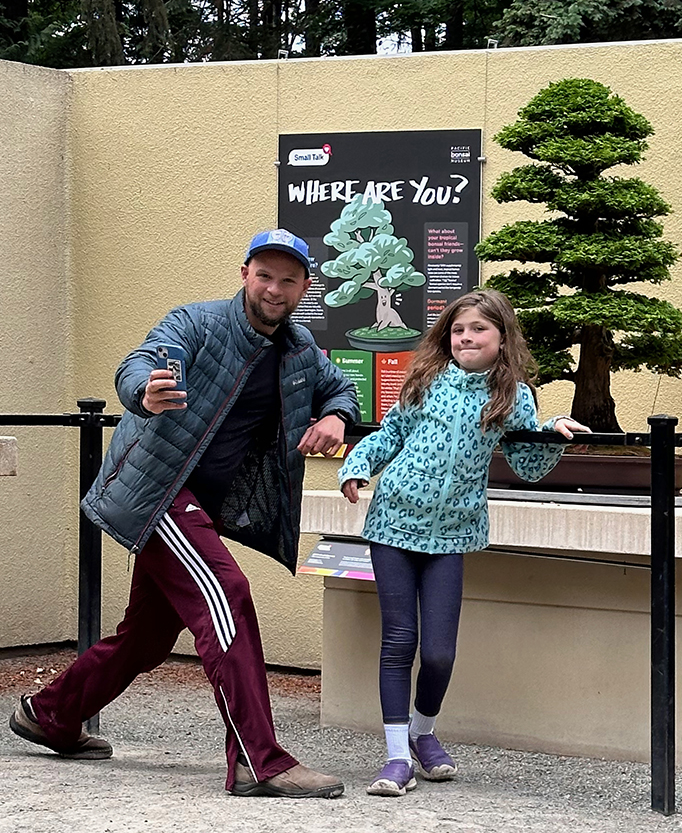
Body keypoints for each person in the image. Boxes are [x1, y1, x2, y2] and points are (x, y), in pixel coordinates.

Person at [8, 229, 361, 799]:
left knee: (147, 637)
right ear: (244, 274)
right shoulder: (196, 323)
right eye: (264, 275)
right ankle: (258, 761)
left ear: (304, 287)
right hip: (157, 491)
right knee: (228, 595)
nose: (274, 288)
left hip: (202, 507)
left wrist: (336, 417)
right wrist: (144, 392)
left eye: (288, 279)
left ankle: (50, 714)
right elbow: (140, 363)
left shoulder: (299, 351)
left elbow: (341, 389)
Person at [337, 289, 589, 796]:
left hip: (452, 532)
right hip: (393, 522)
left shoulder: (513, 396)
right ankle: (396, 758)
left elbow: (526, 465)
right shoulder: (425, 380)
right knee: (399, 641)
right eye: (458, 330)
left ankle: (422, 733)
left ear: (502, 338)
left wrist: (551, 432)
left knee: (439, 654)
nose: (466, 338)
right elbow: (390, 435)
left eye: (478, 329)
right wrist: (357, 465)